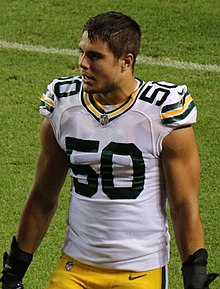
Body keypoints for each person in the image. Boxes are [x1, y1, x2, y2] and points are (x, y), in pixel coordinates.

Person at [0, 11, 218, 289]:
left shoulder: (161, 114)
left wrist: (195, 278)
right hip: (75, 267)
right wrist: (13, 273)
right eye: (82, 53)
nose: (82, 64)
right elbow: (43, 196)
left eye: (95, 56)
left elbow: (184, 205)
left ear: (126, 61)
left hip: (140, 270)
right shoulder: (64, 107)